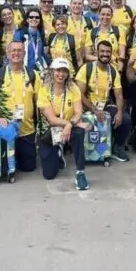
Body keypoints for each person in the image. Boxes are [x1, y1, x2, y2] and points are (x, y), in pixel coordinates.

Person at [0, 41, 41, 173]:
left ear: (24, 53)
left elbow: (40, 103)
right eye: (13, 50)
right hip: (6, 129)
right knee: (6, 167)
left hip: (26, 131)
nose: (16, 53)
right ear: (7, 53)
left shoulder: (33, 75)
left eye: (19, 50)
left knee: (28, 168)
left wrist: (41, 128)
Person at [36, 58, 91, 190]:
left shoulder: (73, 89)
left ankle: (80, 173)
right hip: (49, 132)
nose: (61, 74)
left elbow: (78, 112)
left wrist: (70, 125)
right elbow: (51, 119)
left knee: (79, 133)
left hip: (69, 129)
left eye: (64, 71)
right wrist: (70, 124)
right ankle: (58, 153)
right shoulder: (44, 90)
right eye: (58, 70)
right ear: (52, 72)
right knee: (49, 175)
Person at [76, 41, 131, 162]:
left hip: (105, 105)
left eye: (108, 52)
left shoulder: (113, 71)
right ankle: (82, 150)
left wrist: (120, 112)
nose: (105, 54)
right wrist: (94, 110)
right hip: (86, 106)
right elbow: (79, 94)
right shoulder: (86, 68)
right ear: (96, 52)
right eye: (102, 51)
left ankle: (116, 147)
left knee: (126, 120)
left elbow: (119, 94)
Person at [84, 4, 126, 70]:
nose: (105, 17)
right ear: (99, 15)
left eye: (108, 14)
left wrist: (119, 72)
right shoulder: (91, 32)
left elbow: (122, 55)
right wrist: (103, 59)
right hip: (96, 69)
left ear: (112, 16)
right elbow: (87, 56)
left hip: (114, 70)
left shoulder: (119, 31)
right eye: (103, 14)